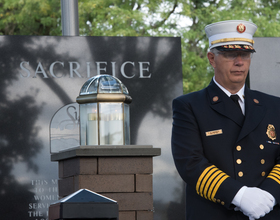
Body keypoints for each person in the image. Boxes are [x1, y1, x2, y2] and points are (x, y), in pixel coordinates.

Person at [171, 20, 280, 220]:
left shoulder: (274, 105)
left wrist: (269, 196)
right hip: (216, 213)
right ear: (212, 58)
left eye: (245, 55)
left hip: (268, 212)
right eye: (231, 55)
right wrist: (240, 196)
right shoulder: (189, 106)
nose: (240, 62)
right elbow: (190, 162)